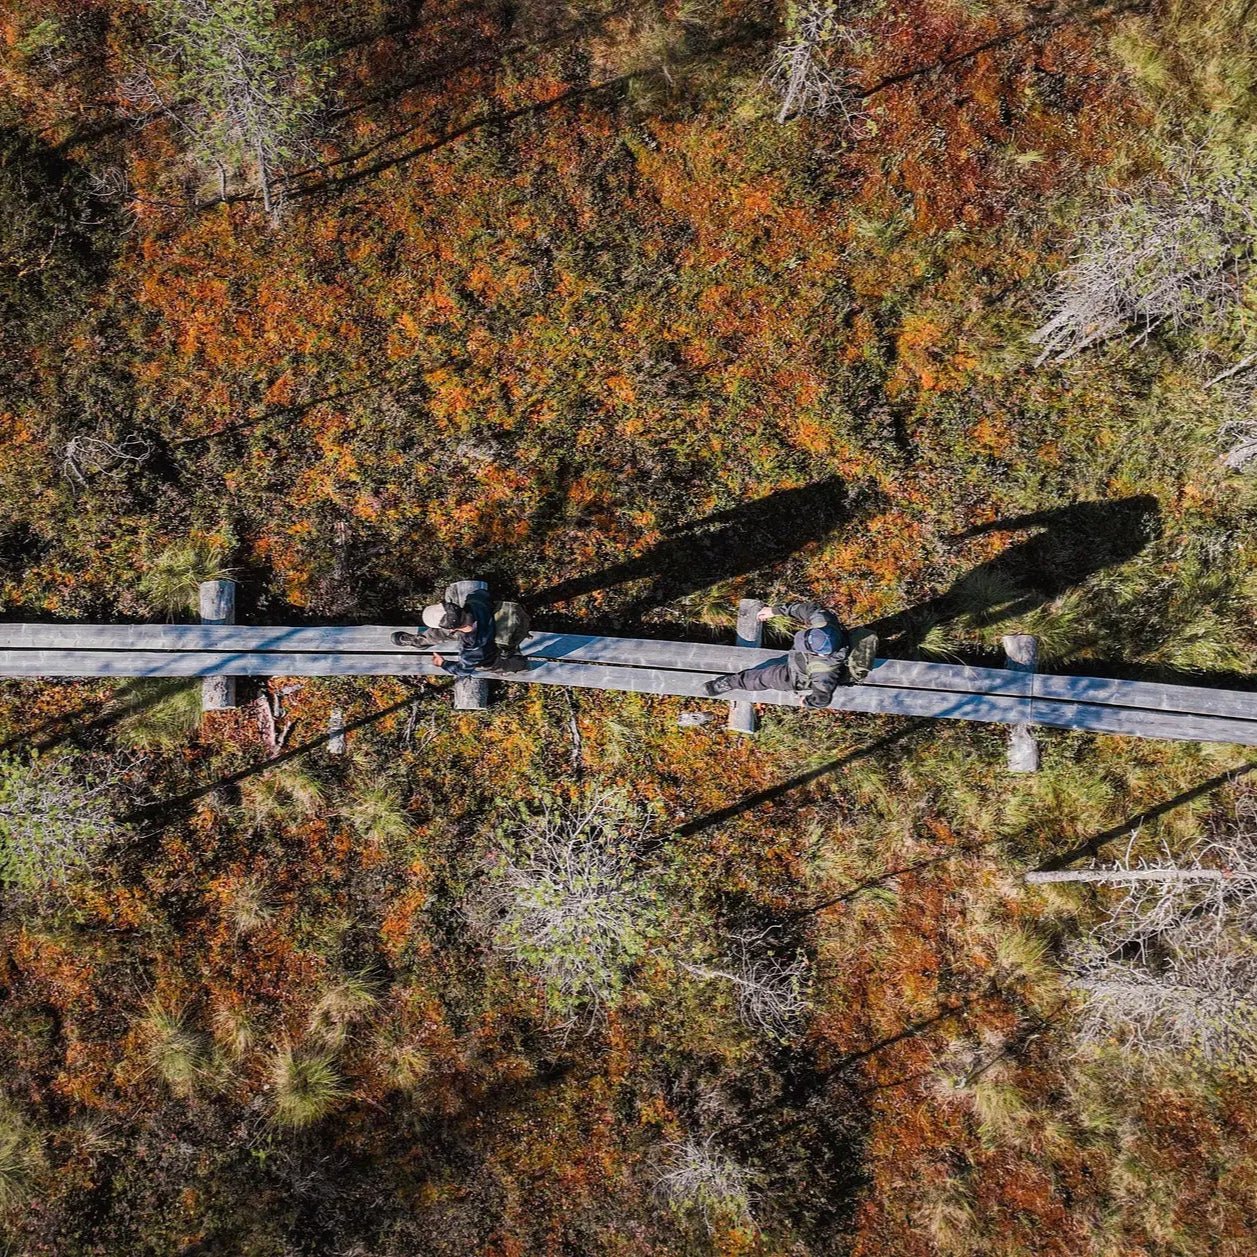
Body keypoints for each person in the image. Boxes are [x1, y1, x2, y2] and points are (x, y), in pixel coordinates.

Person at [702, 600, 876, 708]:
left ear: (820, 654)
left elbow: (822, 699)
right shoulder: (824, 621)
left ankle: (727, 683)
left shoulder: (824, 672)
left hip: (797, 675)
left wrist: (807, 702)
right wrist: (775, 611)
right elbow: (807, 609)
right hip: (805, 660)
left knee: (764, 677)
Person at [392, 589, 531, 675]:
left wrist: (443, 663)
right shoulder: (476, 603)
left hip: (490, 652)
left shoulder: (472, 650)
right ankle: (419, 641)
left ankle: (521, 665)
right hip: (497, 622)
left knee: (492, 666)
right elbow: (482, 594)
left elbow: (463, 670)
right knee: (440, 633)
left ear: (452, 629)